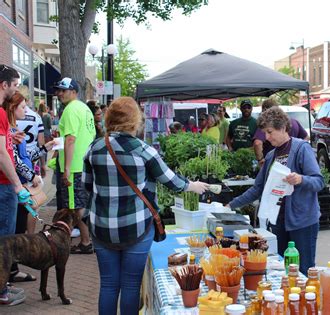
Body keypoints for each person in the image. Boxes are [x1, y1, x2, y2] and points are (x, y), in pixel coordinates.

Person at [82, 97, 209, 315]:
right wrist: (194, 186)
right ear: (135, 120)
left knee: (109, 285)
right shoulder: (143, 150)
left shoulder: (94, 148)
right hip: (137, 226)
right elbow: (172, 181)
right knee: (131, 285)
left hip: (101, 227)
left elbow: (86, 186)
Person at [226, 106, 324, 275]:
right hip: (279, 222)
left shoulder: (301, 149)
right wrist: (231, 205)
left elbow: (318, 181)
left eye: (270, 132)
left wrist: (300, 179)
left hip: (302, 222)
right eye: (265, 132)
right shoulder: (271, 156)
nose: (267, 137)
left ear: (283, 128)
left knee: (303, 270)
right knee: (283, 269)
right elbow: (257, 189)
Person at [5, 92, 55, 283]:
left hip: (19, 184)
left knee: (17, 227)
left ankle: (12, 269)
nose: (26, 111)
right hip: (15, 185)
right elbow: (15, 161)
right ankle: (9, 272)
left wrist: (45, 148)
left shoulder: (14, 129)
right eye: (23, 107)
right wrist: (31, 176)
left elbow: (24, 157)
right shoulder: (8, 130)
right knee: (14, 230)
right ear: (12, 108)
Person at [54, 77, 96, 254]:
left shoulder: (70, 110)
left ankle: (85, 242)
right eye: (59, 90)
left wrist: (67, 168)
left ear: (74, 92)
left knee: (75, 207)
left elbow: (70, 139)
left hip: (75, 167)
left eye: (64, 90)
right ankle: (86, 241)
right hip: (85, 164)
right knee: (80, 204)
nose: (60, 93)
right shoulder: (84, 108)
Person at [0, 64, 29, 305]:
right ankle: (2, 291)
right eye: (15, 85)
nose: (16, 90)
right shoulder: (0, 112)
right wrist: (18, 185)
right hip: (3, 186)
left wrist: (10, 138)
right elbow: (1, 154)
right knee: (4, 241)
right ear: (5, 85)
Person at [253, 99, 309, 167]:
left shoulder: (303, 148)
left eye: (270, 132)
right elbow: (306, 137)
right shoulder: (294, 122)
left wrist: (260, 160)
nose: (267, 137)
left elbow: (257, 143)